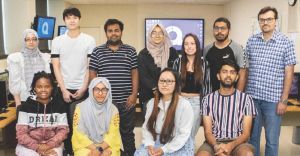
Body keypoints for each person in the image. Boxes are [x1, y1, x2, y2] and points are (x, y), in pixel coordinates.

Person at [246, 6, 296, 156]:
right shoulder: (251, 41)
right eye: (262, 20)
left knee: (272, 140)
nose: (265, 22)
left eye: (269, 19)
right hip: (252, 98)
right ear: (259, 22)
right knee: (252, 139)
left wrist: (284, 100)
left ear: (275, 21)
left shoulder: (285, 42)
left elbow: (289, 73)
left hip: (273, 100)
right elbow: (246, 69)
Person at [89, 19, 138, 155]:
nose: (113, 33)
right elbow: (92, 74)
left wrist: (134, 95)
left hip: (126, 101)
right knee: (105, 135)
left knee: (127, 133)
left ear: (121, 32)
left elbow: (134, 73)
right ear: (106, 33)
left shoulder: (131, 51)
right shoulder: (97, 51)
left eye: (116, 30)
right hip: (105, 103)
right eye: (110, 31)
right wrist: (96, 97)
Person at [51, 7, 96, 154]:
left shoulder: (89, 40)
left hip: (83, 88)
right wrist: (63, 89)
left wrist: (84, 87)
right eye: (68, 17)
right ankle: (68, 150)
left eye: (75, 17)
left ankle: (81, 150)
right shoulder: (57, 41)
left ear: (79, 19)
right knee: (64, 125)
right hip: (63, 88)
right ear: (64, 20)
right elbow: (56, 66)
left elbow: (90, 66)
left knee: (81, 124)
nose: (72, 20)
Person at [196, 60, 256, 156]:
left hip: (238, 142)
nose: (228, 75)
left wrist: (230, 146)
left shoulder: (246, 99)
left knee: (247, 154)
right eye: (224, 72)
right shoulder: (207, 99)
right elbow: (207, 132)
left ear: (236, 77)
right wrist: (217, 147)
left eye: (232, 72)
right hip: (214, 142)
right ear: (218, 76)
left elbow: (246, 134)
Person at [135, 68, 194, 156]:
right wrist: (149, 144)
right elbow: (147, 128)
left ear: (176, 84)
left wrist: (164, 149)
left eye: (169, 81)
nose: (165, 84)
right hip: (156, 139)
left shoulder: (184, 105)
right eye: (162, 80)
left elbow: (183, 134)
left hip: (178, 142)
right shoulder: (151, 103)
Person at [15, 71, 69, 156]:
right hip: (28, 146)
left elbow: (63, 131)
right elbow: (21, 134)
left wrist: (49, 145)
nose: (43, 90)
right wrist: (37, 147)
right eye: (39, 87)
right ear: (34, 88)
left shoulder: (59, 106)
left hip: (53, 145)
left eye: (47, 86)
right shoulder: (25, 107)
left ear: (52, 88)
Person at [72, 77, 121, 156]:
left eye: (104, 90)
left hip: (107, 145)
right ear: (91, 90)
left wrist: (100, 149)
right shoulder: (80, 108)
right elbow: (79, 134)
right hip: (85, 145)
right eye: (97, 89)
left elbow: (113, 134)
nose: (100, 93)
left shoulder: (113, 109)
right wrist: (96, 150)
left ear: (108, 91)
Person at [138, 24, 178, 115]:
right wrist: (158, 90)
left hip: (170, 96)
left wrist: (166, 91)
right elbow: (143, 76)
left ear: (165, 35)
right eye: (154, 32)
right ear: (149, 35)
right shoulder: (143, 54)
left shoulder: (172, 52)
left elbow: (176, 72)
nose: (157, 35)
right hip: (149, 97)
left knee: (169, 126)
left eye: (161, 32)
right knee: (150, 126)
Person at [203, 17, 248, 94]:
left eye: (223, 28)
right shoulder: (207, 49)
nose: (219, 31)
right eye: (216, 28)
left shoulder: (238, 48)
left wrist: (237, 97)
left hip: (230, 95)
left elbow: (242, 75)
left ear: (229, 30)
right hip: (210, 95)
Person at [7, 29, 51, 107]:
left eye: (34, 39)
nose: (31, 42)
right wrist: (18, 104)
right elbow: (14, 82)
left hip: (44, 99)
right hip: (25, 100)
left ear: (37, 41)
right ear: (24, 41)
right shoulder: (16, 58)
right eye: (28, 39)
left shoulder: (44, 57)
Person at [173, 33, 203, 139]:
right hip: (180, 100)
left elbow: (208, 88)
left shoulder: (204, 63)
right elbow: (174, 85)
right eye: (186, 44)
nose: (189, 46)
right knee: (178, 133)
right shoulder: (177, 62)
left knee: (190, 135)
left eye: (192, 43)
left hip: (196, 102)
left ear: (197, 46)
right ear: (183, 47)